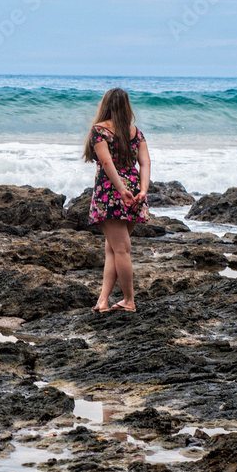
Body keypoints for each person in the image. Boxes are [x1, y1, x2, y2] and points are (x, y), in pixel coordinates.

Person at [82, 88, 151, 312]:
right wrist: (143, 190)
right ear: (127, 107)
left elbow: (107, 164)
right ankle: (103, 300)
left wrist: (121, 190)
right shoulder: (135, 133)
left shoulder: (99, 131)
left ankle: (129, 301)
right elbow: (145, 164)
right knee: (112, 248)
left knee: (121, 249)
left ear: (106, 105)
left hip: (112, 193)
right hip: (133, 192)